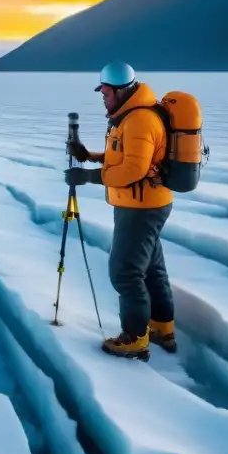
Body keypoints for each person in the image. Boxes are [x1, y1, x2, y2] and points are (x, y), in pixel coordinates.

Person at [63, 61, 176, 360]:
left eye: (106, 92)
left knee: (125, 272)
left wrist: (87, 177)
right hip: (144, 203)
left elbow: (133, 170)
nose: (103, 97)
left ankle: (136, 337)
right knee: (151, 268)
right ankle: (162, 327)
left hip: (141, 207)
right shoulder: (130, 116)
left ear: (120, 91)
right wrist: (89, 156)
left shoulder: (139, 120)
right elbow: (124, 156)